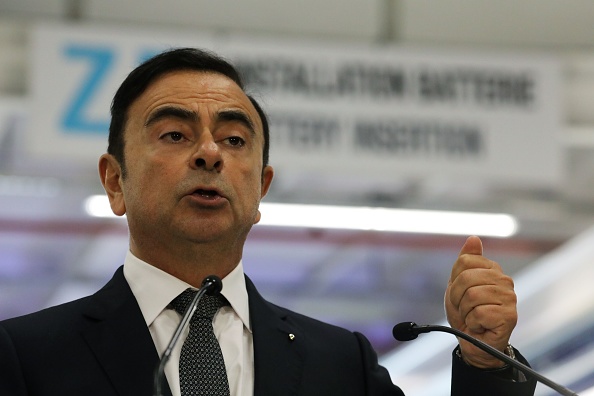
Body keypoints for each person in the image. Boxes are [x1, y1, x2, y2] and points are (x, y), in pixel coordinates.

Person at [0, 47, 537, 396]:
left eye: (234, 140)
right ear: (115, 181)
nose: (210, 153)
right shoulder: (25, 356)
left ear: (260, 189)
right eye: (175, 134)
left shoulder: (341, 365)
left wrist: (484, 363)